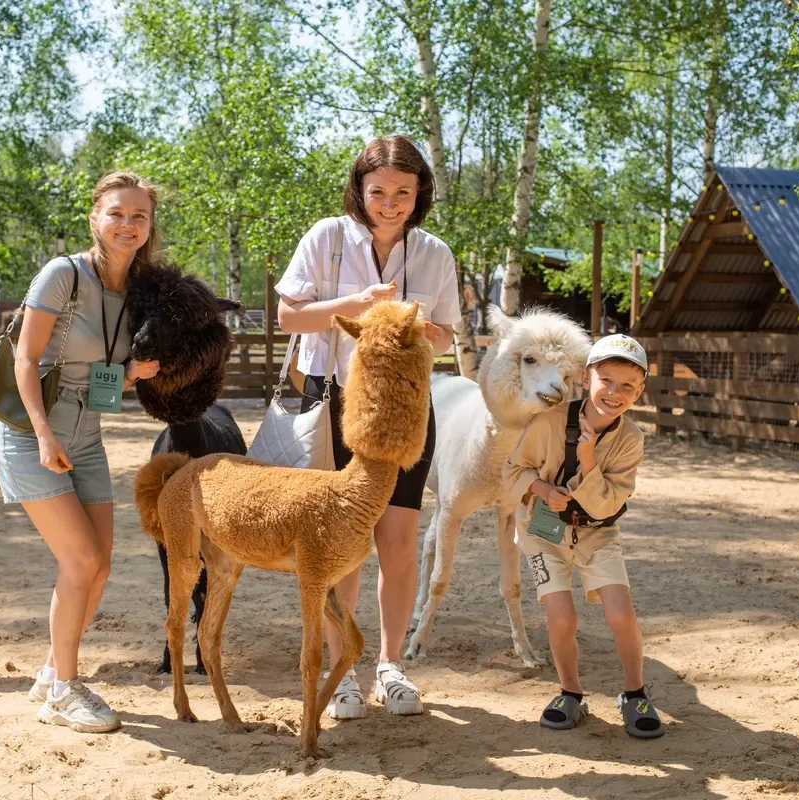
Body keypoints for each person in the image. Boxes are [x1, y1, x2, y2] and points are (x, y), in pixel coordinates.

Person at [275, 135, 461, 719]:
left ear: (420, 193)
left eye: (403, 192)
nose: (390, 203)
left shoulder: (435, 253)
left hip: (405, 409)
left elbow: (447, 337)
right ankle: (343, 670)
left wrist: (426, 334)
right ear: (359, 189)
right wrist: (355, 305)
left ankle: (391, 665)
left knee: (398, 543)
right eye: (378, 191)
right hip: (334, 400)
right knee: (344, 543)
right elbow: (287, 316)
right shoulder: (326, 238)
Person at [0, 171, 160, 733]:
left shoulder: (136, 291)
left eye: (138, 216)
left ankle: (50, 673)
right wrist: (43, 434)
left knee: (100, 567)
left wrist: (131, 375)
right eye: (116, 213)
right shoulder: (63, 274)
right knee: (81, 561)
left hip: (88, 436)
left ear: (149, 225)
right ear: (95, 218)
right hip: (31, 432)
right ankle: (63, 692)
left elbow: (101, 378)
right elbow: (24, 358)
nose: (127, 224)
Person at [503, 334, 665, 738]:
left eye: (627, 386)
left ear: (639, 392)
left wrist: (589, 462)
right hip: (542, 533)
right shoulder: (549, 422)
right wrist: (542, 489)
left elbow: (609, 504)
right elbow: (512, 470)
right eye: (606, 380)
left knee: (621, 613)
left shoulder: (631, 440)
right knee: (562, 617)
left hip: (597, 534)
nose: (614, 392)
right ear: (586, 378)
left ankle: (634, 693)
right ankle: (571, 693)